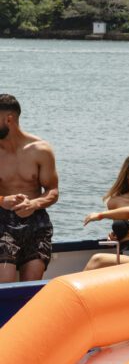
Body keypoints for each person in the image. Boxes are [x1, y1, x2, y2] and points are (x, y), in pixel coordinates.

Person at [0, 94, 59, 282]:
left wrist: (33, 204)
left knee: (32, 282)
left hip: (36, 221)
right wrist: (2, 200)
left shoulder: (40, 150)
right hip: (2, 222)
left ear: (8, 119)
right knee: (5, 280)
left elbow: (53, 191)